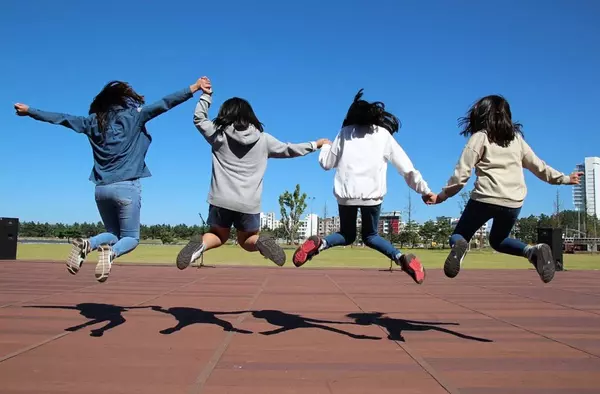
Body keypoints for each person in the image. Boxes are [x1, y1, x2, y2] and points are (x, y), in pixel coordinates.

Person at [14, 78, 204, 282]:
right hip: (126, 187)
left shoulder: (92, 121)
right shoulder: (134, 116)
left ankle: (88, 243)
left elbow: (62, 118)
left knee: (113, 233)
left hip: (101, 189)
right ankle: (110, 254)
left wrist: (30, 111)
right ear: (123, 100)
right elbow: (165, 103)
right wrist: (193, 88)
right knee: (131, 238)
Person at [424, 94, 582, 283]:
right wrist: (565, 178)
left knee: (460, 235)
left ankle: (460, 245)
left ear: (481, 115)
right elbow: (540, 168)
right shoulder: (517, 140)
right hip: (513, 203)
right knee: (498, 240)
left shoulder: (480, 137)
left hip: (484, 198)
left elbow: (461, 176)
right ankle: (533, 251)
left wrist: (441, 196)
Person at [176, 77, 330, 269]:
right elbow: (289, 149)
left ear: (225, 114)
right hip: (249, 203)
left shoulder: (219, 134)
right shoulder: (264, 140)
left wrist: (206, 96)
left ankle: (201, 245)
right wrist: (315, 144)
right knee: (247, 240)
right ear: (250, 116)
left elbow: (199, 119)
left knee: (218, 235)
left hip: (220, 199)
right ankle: (260, 242)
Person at [291, 89, 433, 285]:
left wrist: (324, 145)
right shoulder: (383, 135)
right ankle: (401, 258)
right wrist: (424, 191)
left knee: (346, 234)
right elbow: (406, 168)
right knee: (371, 235)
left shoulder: (344, 134)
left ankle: (319, 244)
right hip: (372, 197)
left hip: (346, 195)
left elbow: (326, 164)